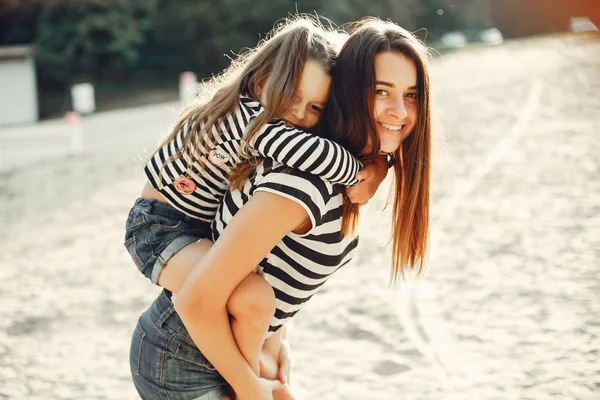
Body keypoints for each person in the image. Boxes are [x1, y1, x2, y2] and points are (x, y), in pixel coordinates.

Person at [130, 17, 433, 400]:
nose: (401, 113)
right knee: (253, 299)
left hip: (225, 345)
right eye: (381, 91)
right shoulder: (293, 164)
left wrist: (274, 344)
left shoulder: (320, 163)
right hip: (182, 354)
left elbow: (271, 264)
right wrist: (249, 388)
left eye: (411, 95)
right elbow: (198, 300)